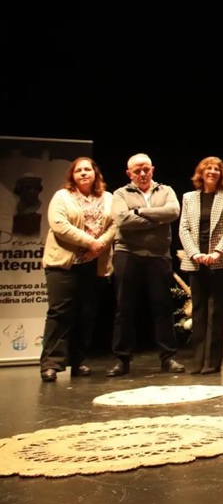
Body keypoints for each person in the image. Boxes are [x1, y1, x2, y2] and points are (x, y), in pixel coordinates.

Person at [39, 157, 116, 382]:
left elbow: (115, 225)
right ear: (72, 175)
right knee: (59, 313)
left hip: (94, 264)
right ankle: (51, 364)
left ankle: (78, 361)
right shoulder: (62, 196)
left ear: (95, 174)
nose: (83, 173)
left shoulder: (108, 198)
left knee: (86, 313)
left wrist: (100, 245)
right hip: (63, 264)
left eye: (87, 169)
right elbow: (59, 225)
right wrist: (90, 243)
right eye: (78, 170)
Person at [108, 153, 185, 376]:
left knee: (163, 307)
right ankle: (122, 359)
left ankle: (168, 358)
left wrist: (139, 212)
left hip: (159, 255)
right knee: (125, 308)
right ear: (129, 173)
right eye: (137, 171)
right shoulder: (121, 193)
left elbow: (173, 212)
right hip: (128, 254)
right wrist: (157, 219)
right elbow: (122, 219)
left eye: (146, 169)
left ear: (152, 170)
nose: (142, 174)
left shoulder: (166, 190)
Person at [178, 157, 223, 374]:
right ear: (201, 173)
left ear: (221, 174)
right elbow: (184, 228)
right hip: (195, 259)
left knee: (216, 310)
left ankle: (212, 362)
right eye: (208, 168)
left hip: (219, 259)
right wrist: (194, 253)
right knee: (198, 310)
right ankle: (197, 361)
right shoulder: (189, 197)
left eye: (216, 169)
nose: (212, 172)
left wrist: (217, 253)